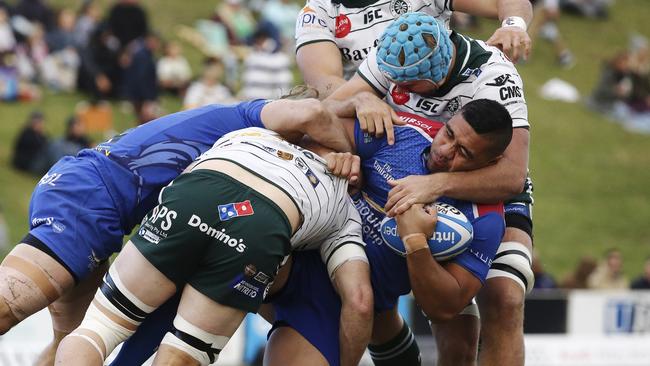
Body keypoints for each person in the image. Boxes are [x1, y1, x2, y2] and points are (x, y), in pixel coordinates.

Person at [0, 94, 365, 365]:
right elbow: (314, 111)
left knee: (79, 338)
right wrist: (349, 155)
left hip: (125, 204)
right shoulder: (251, 120)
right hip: (94, 194)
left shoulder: (248, 144)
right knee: (10, 305)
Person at [326, 12, 533, 366]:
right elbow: (327, 107)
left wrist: (434, 183)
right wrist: (359, 101)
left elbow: (512, 175)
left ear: (436, 77)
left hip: (483, 177)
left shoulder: (494, 76)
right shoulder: (394, 56)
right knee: (444, 329)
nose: (399, 90)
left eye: (410, 87)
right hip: (408, 161)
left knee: (504, 298)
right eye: (394, 84)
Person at [265, 99, 511, 366]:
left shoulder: (485, 218)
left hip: (333, 307)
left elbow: (445, 307)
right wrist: (332, 160)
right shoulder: (403, 131)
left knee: (374, 312)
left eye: (464, 152)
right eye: (449, 133)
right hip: (291, 258)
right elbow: (309, 137)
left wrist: (415, 242)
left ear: (492, 162)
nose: (445, 151)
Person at [295, 0, 532, 99]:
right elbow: (324, 83)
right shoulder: (317, 12)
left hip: (449, 104)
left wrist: (514, 26)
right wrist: (363, 101)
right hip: (373, 118)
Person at [11, 110, 50, 175]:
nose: (40, 124)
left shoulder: (40, 134)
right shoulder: (27, 134)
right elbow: (41, 148)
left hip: (33, 161)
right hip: (28, 163)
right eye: (38, 121)